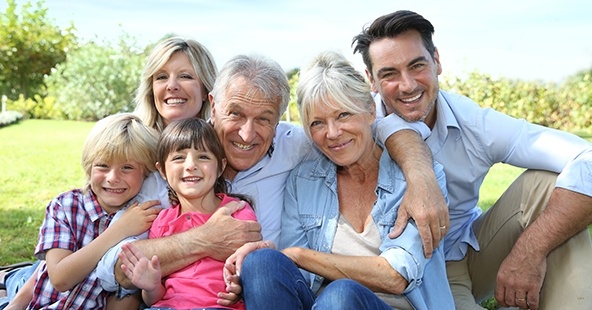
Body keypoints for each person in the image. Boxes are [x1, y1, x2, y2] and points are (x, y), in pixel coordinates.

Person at [110, 53, 449, 301]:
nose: (247, 133)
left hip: (371, 302)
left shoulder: (300, 149)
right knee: (270, 265)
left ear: (279, 122)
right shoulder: (169, 170)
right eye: (236, 113)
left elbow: (375, 127)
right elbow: (116, 271)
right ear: (213, 105)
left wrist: (419, 173)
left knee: (341, 294)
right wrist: (205, 239)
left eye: (263, 119)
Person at [352, 10, 592, 310]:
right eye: (389, 74)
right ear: (371, 80)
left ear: (437, 61)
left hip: (458, 262)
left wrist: (529, 251)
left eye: (417, 66)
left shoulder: (476, 124)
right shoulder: (354, 127)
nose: (408, 85)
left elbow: (587, 156)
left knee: (548, 183)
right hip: (387, 273)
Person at [231, 51, 454, 310]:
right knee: (261, 262)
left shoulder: (418, 180)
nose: (333, 133)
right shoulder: (303, 181)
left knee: (342, 294)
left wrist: (299, 256)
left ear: (371, 111)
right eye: (317, 123)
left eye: (343, 115)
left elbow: (397, 276)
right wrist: (267, 267)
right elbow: (298, 280)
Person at [5, 113, 162, 309]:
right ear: (89, 167)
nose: (113, 178)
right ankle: (13, 282)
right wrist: (120, 230)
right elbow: (61, 278)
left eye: (127, 167)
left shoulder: (145, 217)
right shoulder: (65, 207)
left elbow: (128, 295)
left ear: (146, 173)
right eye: (103, 166)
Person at [118, 118, 256, 309]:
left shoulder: (237, 210)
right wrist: (150, 286)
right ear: (162, 170)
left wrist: (239, 286)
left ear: (221, 166)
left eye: (203, 157)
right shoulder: (162, 221)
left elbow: (252, 263)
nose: (191, 165)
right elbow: (155, 297)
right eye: (178, 158)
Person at [134, 36, 218, 131]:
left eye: (185, 76)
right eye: (162, 77)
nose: (172, 86)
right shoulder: (127, 143)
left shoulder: (226, 143)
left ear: (206, 91)